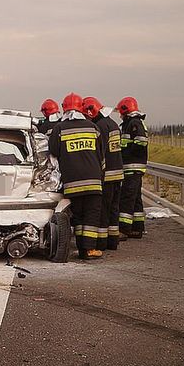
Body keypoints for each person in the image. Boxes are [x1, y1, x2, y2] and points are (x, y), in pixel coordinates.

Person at [48, 93, 105, 259]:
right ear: (82, 108)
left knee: (78, 216)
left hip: (72, 183)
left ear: (64, 108)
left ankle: (82, 248)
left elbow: (53, 152)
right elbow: (101, 155)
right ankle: (89, 249)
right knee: (92, 215)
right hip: (93, 181)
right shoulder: (93, 127)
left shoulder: (59, 128)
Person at [83, 96, 124, 250]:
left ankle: (101, 242)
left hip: (107, 175)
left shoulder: (99, 126)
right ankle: (113, 241)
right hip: (118, 173)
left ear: (91, 112)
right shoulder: (113, 124)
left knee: (103, 210)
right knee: (114, 208)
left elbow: (100, 153)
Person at [117, 97, 148, 239]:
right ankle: (137, 228)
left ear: (125, 110)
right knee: (135, 199)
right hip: (134, 167)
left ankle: (124, 229)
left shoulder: (134, 123)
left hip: (132, 166)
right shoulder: (131, 123)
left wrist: (127, 153)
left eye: (120, 112)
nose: (120, 115)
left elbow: (141, 141)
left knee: (127, 198)